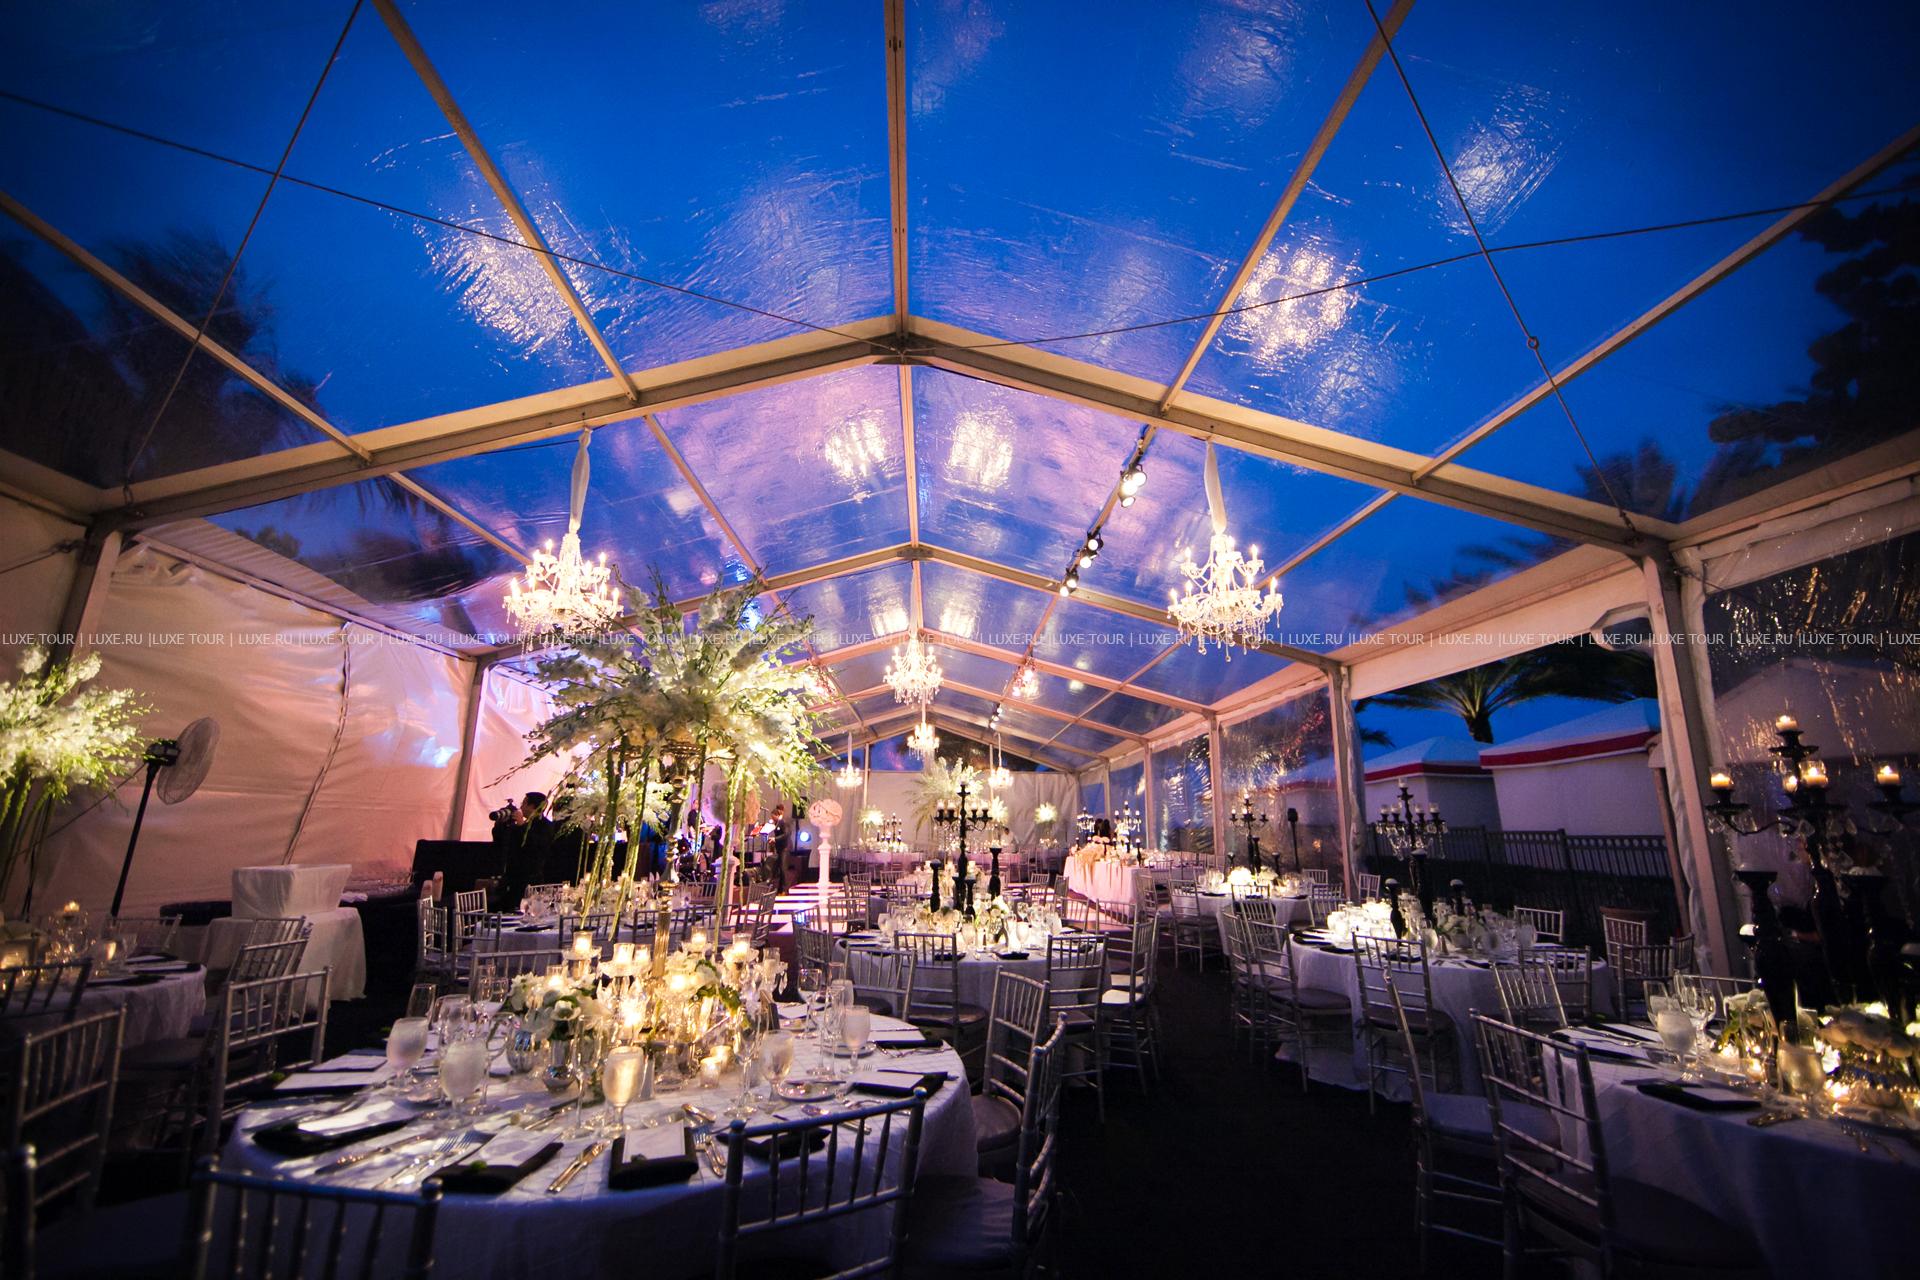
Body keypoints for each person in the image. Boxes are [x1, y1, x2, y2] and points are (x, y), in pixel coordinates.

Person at [497, 791, 556, 910]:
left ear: (532, 806)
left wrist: (521, 825)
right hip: (512, 877)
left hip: (530, 879)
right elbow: (501, 841)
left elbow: (535, 846)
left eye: (524, 803)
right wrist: (500, 824)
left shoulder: (546, 826)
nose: (521, 807)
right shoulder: (521, 825)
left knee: (525, 910)